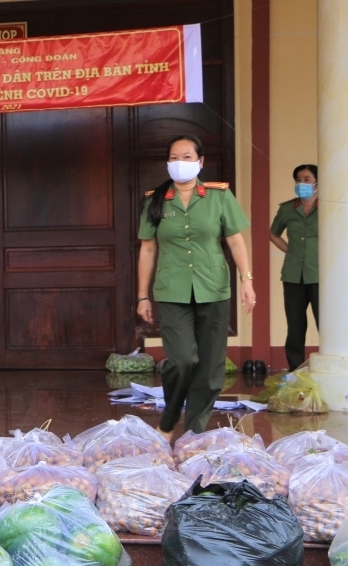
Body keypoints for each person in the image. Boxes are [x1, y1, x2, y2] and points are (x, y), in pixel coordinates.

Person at [136, 135, 256, 441]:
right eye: (175, 157)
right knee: (182, 359)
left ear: (200, 162)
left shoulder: (219, 197)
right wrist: (142, 295)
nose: (180, 162)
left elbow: (235, 240)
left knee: (211, 369)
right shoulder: (155, 200)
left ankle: (193, 433)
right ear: (167, 163)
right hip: (172, 289)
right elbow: (148, 250)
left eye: (187, 157)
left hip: (213, 288)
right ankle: (168, 420)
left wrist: (247, 280)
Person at [270, 164, 319, 371]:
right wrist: (290, 250)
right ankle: (296, 372)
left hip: (319, 274)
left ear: (318, 182)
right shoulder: (287, 208)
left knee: (325, 326)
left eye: (307, 179)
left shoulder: (329, 208)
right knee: (295, 327)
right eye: (298, 179)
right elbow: (273, 233)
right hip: (292, 275)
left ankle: (326, 368)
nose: (301, 184)